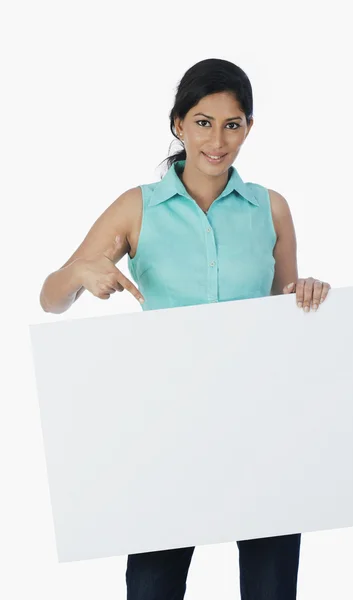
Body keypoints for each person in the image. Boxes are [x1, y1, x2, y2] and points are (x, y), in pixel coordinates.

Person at [39, 58, 331, 599]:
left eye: (232, 124)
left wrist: (305, 294)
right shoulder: (137, 208)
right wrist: (80, 272)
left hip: (258, 424)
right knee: (154, 584)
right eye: (202, 121)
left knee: (271, 584)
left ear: (248, 127)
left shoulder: (272, 209)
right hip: (164, 426)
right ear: (178, 124)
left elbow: (282, 311)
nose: (217, 140)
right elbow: (51, 298)